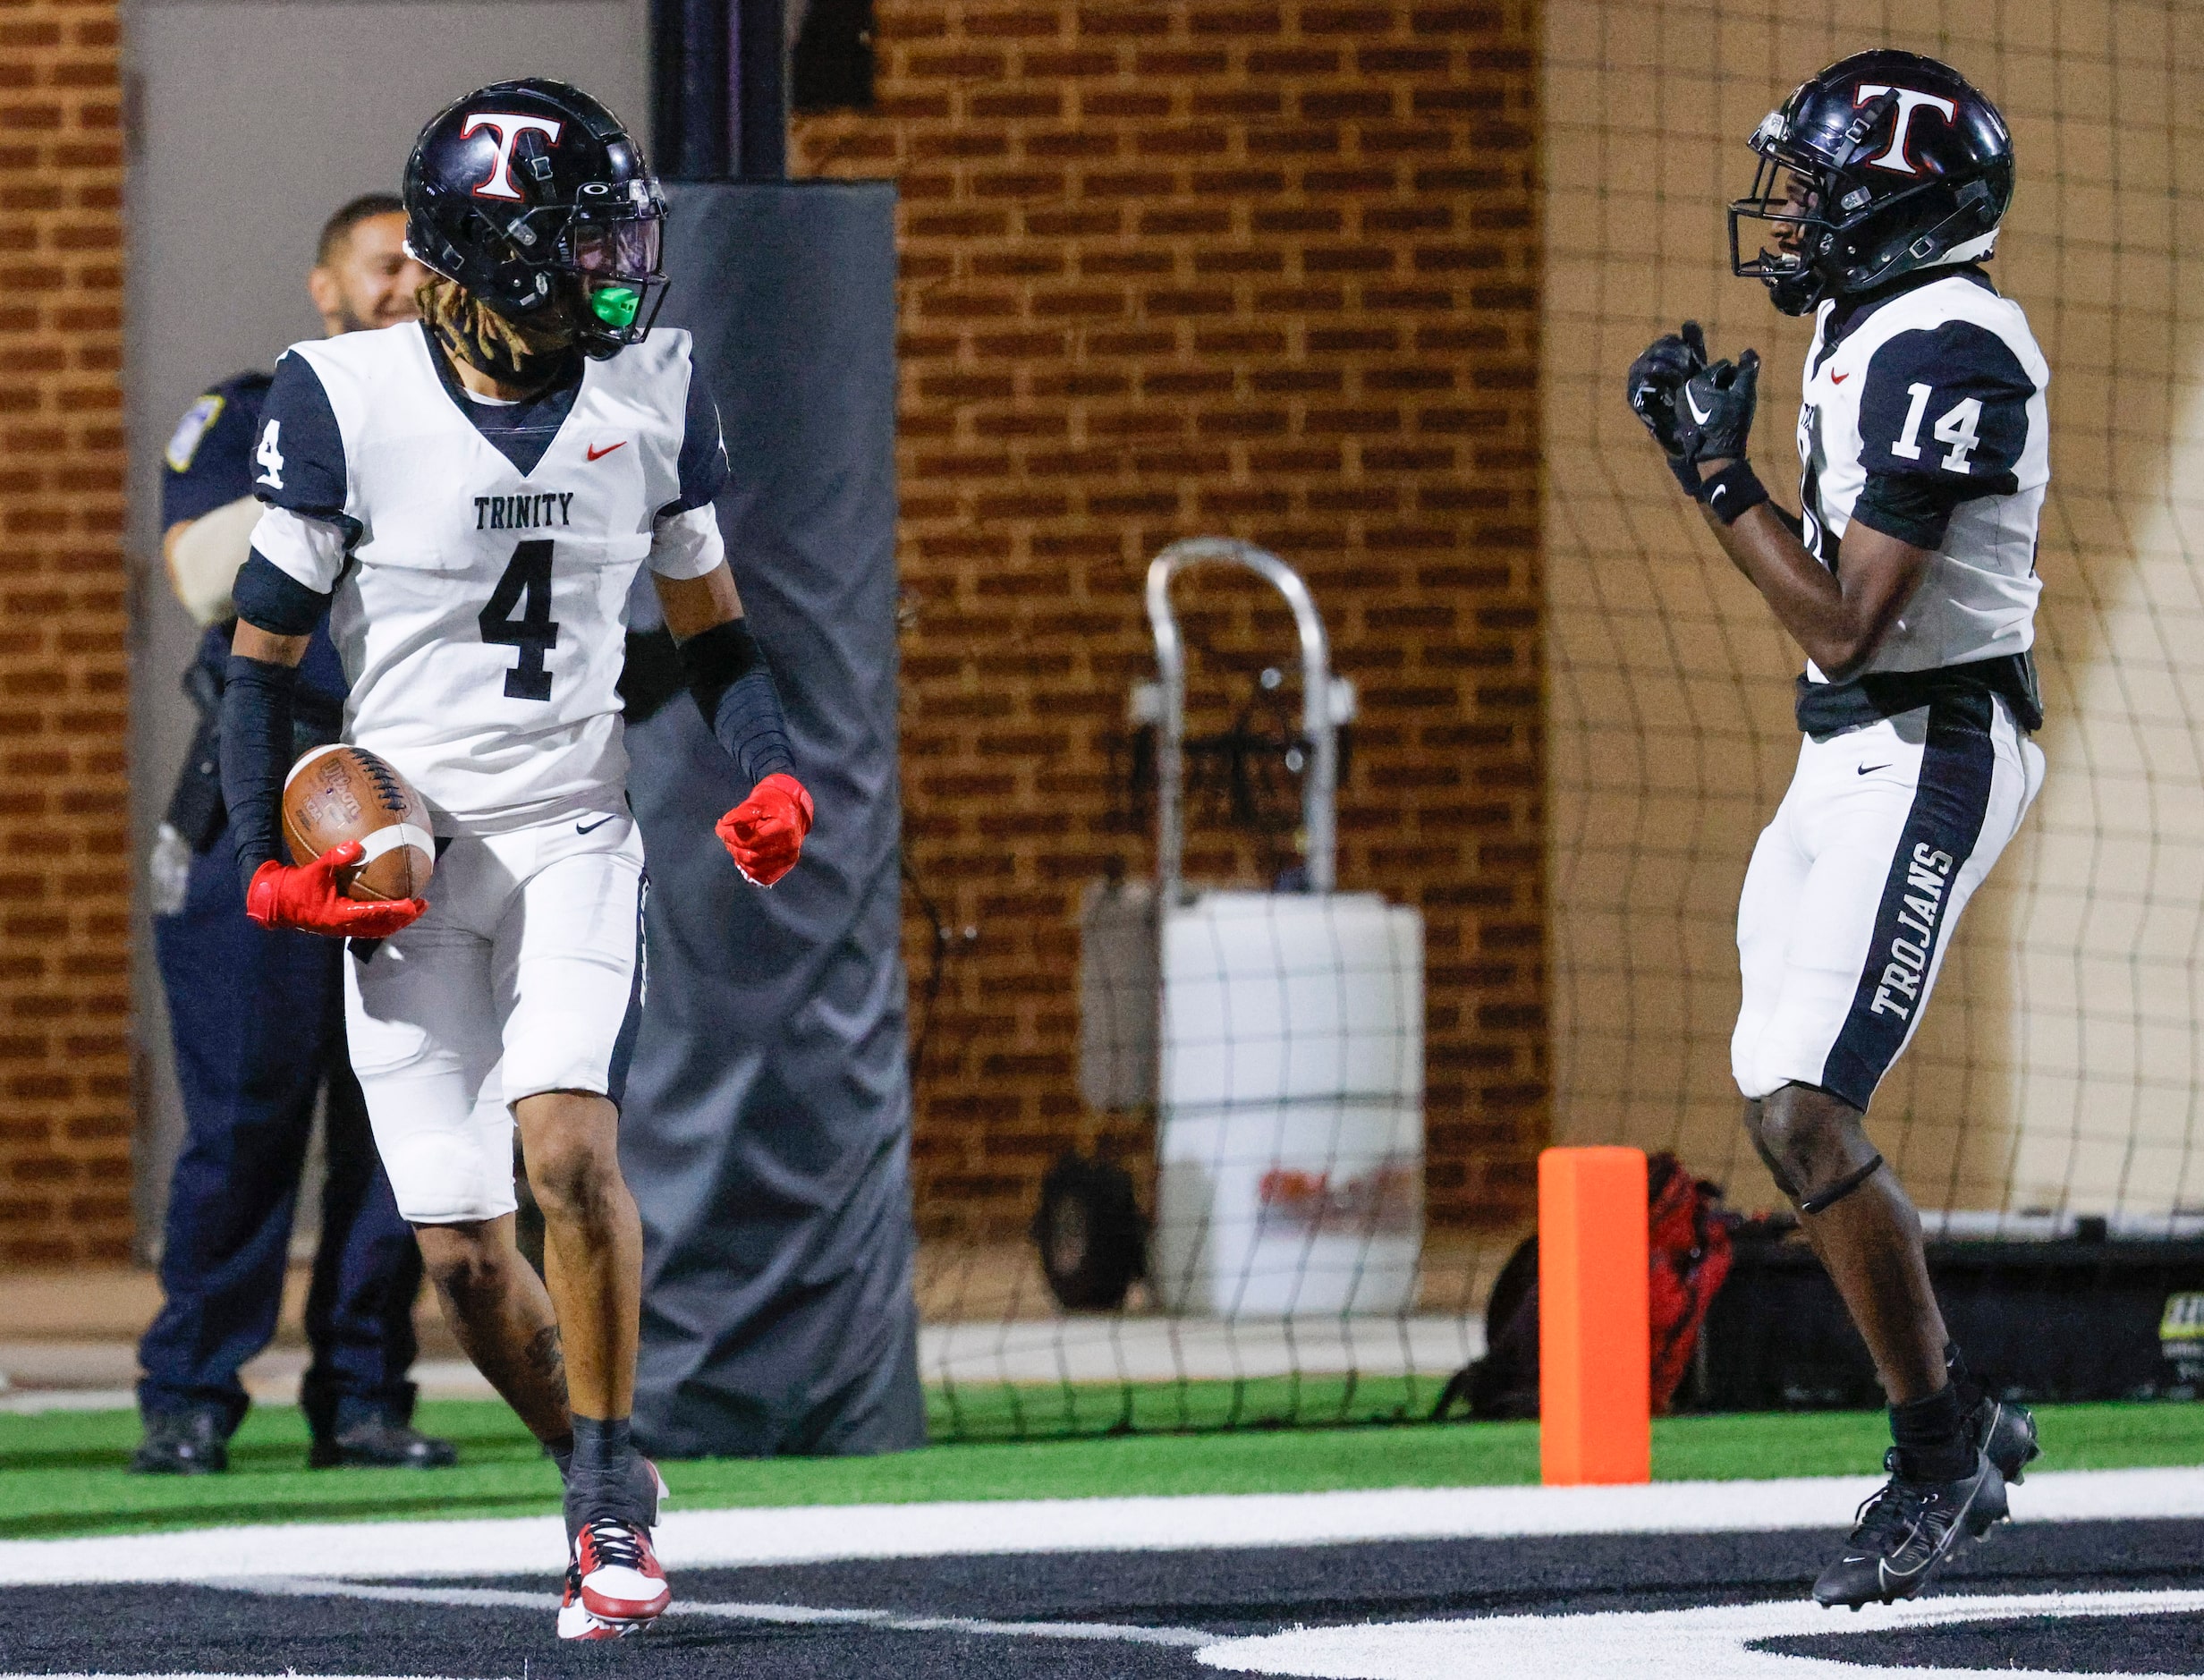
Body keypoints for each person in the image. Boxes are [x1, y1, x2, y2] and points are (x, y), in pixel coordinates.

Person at [216, 80, 812, 1640]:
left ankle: (603, 1514)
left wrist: (767, 772)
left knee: (566, 1147)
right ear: (496, 255)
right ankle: (610, 1463)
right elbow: (260, 663)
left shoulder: (651, 386)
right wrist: (264, 864)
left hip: (569, 828)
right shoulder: (341, 395)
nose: (622, 264)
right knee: (469, 1266)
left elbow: (721, 636)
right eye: (587, 237)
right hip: (404, 853)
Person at [1625, 50, 2047, 1608]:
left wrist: (1715, 477)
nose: (1794, 210)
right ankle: (1962, 1407)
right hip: (1848, 746)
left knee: (1808, 1101)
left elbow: (1854, 618)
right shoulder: (1871, 325)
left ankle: (1936, 1452)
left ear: (1898, 203)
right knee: (1771, 1094)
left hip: (1931, 739)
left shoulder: (1956, 343)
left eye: (1821, 184)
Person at [137, 194, 457, 1477]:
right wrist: (368, 458)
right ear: (327, 289)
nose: (404, 284)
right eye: (381, 266)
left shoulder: (481, 427)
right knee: (250, 1112)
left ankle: (367, 1396)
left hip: (411, 805)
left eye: (421, 267)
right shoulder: (250, 408)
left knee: (399, 1119)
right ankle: (192, 1393)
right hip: (253, 808)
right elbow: (205, 573)